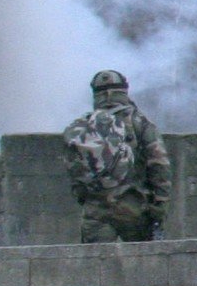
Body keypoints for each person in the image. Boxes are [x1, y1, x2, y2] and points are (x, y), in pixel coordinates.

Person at [62, 70, 171, 243]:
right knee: (141, 259)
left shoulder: (83, 127)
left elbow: (75, 172)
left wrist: (86, 200)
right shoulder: (139, 122)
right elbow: (159, 166)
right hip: (135, 211)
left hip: (95, 213)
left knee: (97, 260)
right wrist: (159, 208)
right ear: (124, 91)